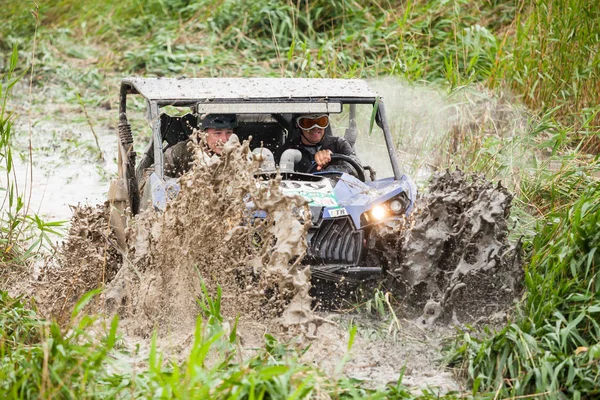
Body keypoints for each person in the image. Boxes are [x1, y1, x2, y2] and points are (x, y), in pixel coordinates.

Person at [279, 113, 361, 174]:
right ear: (297, 125)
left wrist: (333, 161)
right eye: (308, 123)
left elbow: (358, 170)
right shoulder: (286, 151)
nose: (315, 127)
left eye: (321, 122)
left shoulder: (339, 144)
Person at [163, 113, 237, 177]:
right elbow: (157, 177)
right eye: (217, 133)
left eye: (229, 133)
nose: (224, 139)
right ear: (202, 134)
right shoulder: (182, 151)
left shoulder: (240, 154)